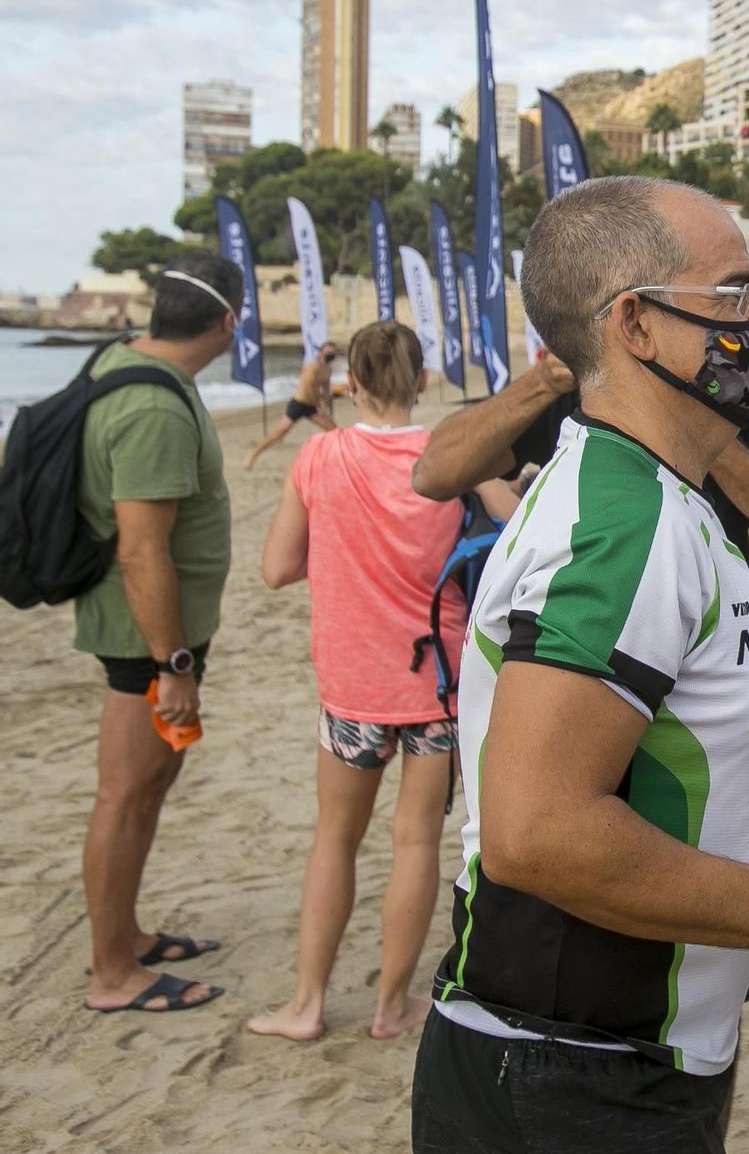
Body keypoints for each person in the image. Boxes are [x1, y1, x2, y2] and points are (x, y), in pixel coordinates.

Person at [410, 176, 749, 1153]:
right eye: (734, 293)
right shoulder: (626, 525)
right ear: (637, 326)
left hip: (621, 1056)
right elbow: (536, 826)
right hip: (570, 1068)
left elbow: (637, 737)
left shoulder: (666, 500)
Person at [248, 322, 505, 1043]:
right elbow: (517, 520)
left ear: (350, 383)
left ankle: (306, 1004)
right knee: (416, 840)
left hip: (353, 682)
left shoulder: (321, 456)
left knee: (334, 838)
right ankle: (392, 1006)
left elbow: (274, 566)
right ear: (422, 381)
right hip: (437, 678)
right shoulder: (449, 450)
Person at [75, 254, 243, 1015]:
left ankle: (128, 935)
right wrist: (172, 664)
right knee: (125, 791)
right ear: (229, 323)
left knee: (150, 785)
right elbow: (140, 550)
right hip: (143, 640)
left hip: (160, 636)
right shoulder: (154, 410)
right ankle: (112, 972)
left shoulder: (134, 364)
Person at [411, 267, 749, 559]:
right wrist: (543, 382)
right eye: (730, 302)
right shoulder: (576, 388)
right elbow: (435, 474)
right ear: (637, 317)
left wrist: (698, 412)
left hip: (705, 633)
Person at [243, 342, 339, 471]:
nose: (330, 354)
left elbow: (326, 389)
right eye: (328, 352)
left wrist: (327, 405)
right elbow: (309, 387)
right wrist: (318, 404)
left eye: (332, 352)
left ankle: (334, 460)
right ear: (321, 353)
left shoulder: (327, 370)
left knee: (334, 430)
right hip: (299, 404)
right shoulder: (312, 367)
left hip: (313, 407)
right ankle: (252, 454)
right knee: (278, 434)